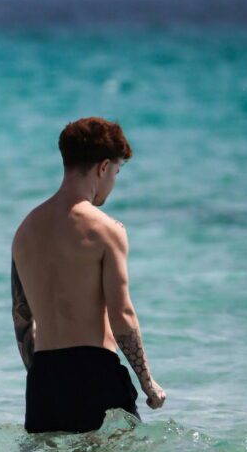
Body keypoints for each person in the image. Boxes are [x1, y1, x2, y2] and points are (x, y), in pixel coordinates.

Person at [11, 116, 166, 434]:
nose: (113, 182)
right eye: (117, 173)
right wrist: (148, 383)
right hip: (94, 371)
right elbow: (121, 314)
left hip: (42, 381)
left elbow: (22, 315)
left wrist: (44, 378)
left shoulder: (24, 231)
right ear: (104, 167)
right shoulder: (107, 230)